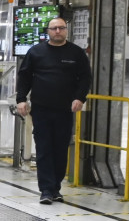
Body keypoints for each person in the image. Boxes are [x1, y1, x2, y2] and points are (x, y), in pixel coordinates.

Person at [15, 17, 91, 204]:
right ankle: (46, 190)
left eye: (61, 28)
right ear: (48, 31)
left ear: (66, 30)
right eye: (54, 28)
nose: (58, 31)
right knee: (44, 149)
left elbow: (85, 78)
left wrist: (80, 98)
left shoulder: (76, 53)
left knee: (60, 149)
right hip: (41, 109)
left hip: (64, 110)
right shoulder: (36, 52)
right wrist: (21, 99)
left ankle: (55, 187)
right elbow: (24, 77)